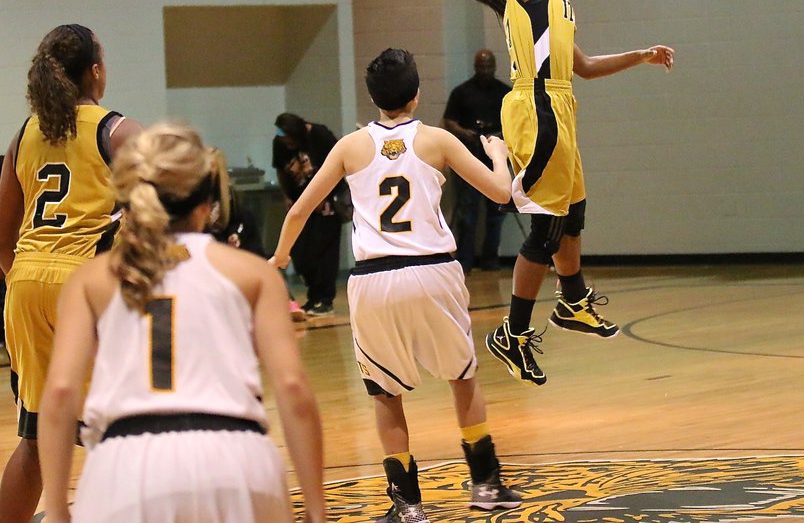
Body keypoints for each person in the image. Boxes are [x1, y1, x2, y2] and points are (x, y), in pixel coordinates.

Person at [457, 0, 675, 386]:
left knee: (574, 213)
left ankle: (571, 298)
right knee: (548, 230)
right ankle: (513, 331)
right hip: (537, 109)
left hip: (559, 102)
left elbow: (581, 66)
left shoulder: (553, 4)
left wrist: (640, 56)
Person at [269, 48, 521, 522]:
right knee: (462, 378)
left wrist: (280, 257)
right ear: (418, 92)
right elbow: (502, 193)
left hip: (373, 280)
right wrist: (498, 156)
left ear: (372, 96)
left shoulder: (348, 146)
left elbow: (299, 209)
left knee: (386, 394)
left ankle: (408, 506)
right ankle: (485, 485)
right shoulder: (438, 140)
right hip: (434, 271)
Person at [39, 123, 325, 523]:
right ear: (207, 203)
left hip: (124, 466)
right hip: (236, 459)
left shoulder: (91, 278)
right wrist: (316, 509)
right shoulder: (252, 273)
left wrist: (56, 510)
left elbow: (60, 393)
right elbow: (293, 388)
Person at [0, 24, 143, 523]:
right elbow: (168, 214)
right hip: (85, 285)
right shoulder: (117, 131)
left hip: (24, 282)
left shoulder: (24, 134)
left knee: (37, 436)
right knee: (124, 428)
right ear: (95, 71)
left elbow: (4, 233)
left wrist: (27, 283)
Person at [443, 49, 510, 272]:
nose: (485, 71)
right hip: (469, 154)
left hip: (495, 156)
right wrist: (464, 132)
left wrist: (499, 134)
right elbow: (449, 121)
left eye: (488, 66)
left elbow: (516, 124)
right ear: (475, 67)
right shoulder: (462, 92)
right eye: (481, 66)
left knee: (497, 211)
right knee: (467, 211)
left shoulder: (505, 93)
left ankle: (491, 260)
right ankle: (465, 261)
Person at [273, 111, 342, 316]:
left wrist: (322, 196)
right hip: (300, 204)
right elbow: (280, 170)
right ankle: (313, 297)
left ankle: (325, 299)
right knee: (301, 253)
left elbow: (339, 166)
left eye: (289, 140)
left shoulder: (320, 135)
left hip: (327, 204)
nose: (287, 144)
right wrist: (286, 195)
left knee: (324, 252)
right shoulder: (278, 142)